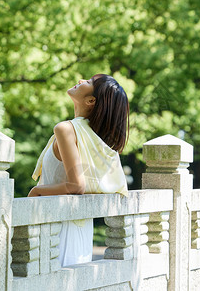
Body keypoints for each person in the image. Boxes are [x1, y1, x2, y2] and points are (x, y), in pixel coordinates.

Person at [28, 74, 129, 267]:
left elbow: (77, 185)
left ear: (91, 100)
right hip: (80, 227)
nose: (81, 80)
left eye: (89, 82)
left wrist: (37, 191)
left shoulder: (66, 129)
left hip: (58, 227)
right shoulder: (97, 139)